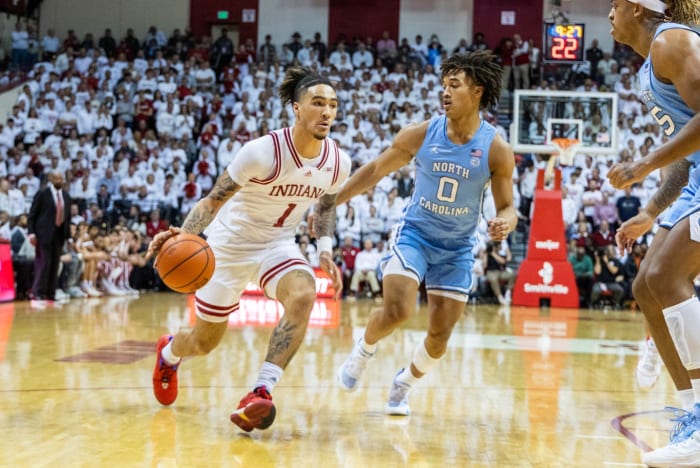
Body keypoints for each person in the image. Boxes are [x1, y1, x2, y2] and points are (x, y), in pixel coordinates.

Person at [146, 67, 350, 432]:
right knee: (205, 342)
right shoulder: (261, 152)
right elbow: (212, 202)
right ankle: (169, 353)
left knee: (304, 294)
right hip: (229, 246)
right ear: (296, 108)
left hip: (278, 244)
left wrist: (324, 250)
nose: (327, 112)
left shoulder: (338, 161)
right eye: (318, 103)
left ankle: (261, 391)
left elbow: (326, 206)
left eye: (333, 105)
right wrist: (183, 236)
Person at [336, 50, 517, 415]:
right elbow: (374, 171)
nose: (445, 92)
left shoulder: (496, 148)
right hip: (415, 234)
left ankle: (404, 384)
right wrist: (331, 201)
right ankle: (363, 350)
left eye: (454, 85)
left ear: (478, 91)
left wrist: (507, 221)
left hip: (458, 249)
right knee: (398, 310)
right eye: (443, 85)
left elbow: (507, 206)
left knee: (439, 338)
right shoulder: (422, 133)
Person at [607, 1, 700, 465]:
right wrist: (650, 211)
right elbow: (690, 148)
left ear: (640, 9)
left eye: (616, 4)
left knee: (666, 279)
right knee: (646, 288)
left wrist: (645, 164)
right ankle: (691, 414)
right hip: (696, 179)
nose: (609, 12)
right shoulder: (653, 59)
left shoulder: (673, 41)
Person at [27, 170, 71, 305]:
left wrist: (68, 236)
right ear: (51, 179)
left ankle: (51, 293)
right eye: (57, 179)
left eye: (61, 179)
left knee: (54, 264)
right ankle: (37, 292)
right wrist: (32, 232)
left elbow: (67, 218)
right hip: (43, 234)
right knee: (44, 262)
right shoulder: (42, 194)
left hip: (59, 234)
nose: (60, 181)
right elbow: (32, 215)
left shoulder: (66, 195)